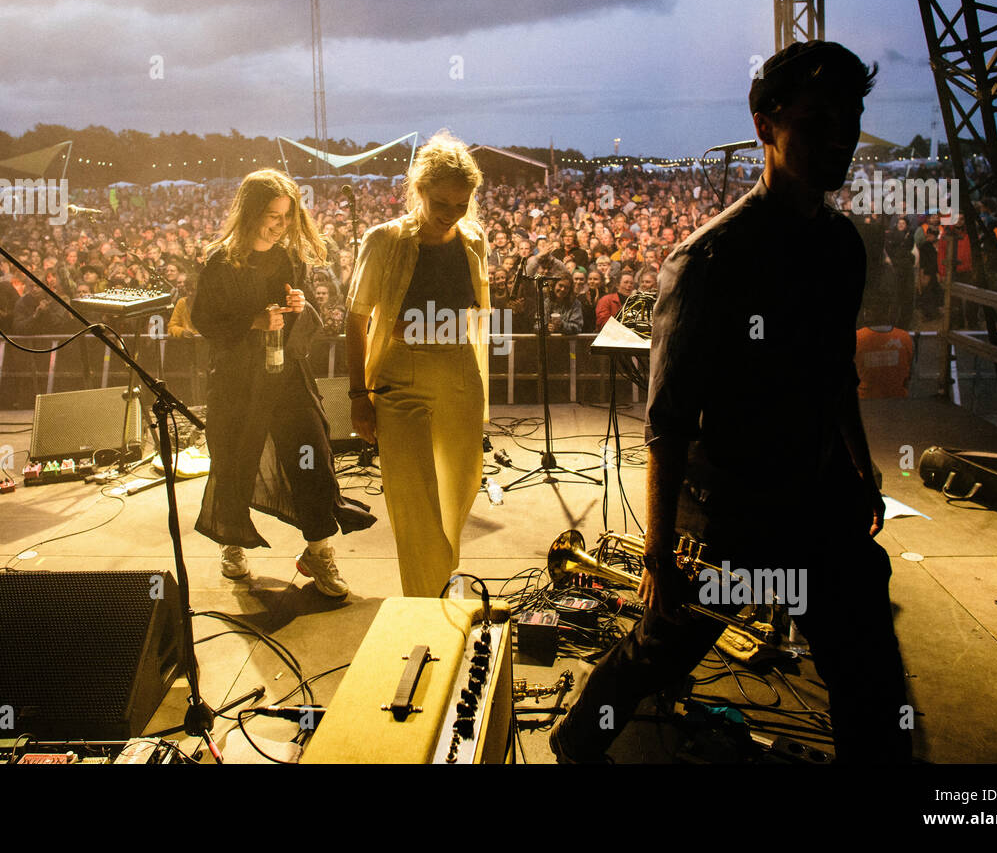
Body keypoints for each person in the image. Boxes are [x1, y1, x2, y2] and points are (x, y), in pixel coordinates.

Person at [551, 40, 912, 764]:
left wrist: (862, 467)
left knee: (871, 680)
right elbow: (668, 424)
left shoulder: (844, 245)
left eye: (850, 121)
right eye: (817, 124)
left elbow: (836, 370)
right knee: (661, 647)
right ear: (764, 127)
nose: (839, 140)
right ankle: (575, 746)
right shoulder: (710, 260)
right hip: (733, 508)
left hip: (822, 498)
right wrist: (659, 554)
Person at [192, 169, 375, 598]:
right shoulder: (221, 261)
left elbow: (301, 316)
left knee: (312, 458)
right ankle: (232, 543)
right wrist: (252, 322)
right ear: (251, 211)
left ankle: (319, 550)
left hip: (287, 377)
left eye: (287, 216)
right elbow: (204, 321)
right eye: (273, 215)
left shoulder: (287, 258)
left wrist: (299, 305)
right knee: (234, 463)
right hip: (238, 383)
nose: (280, 224)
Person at [345, 132, 490, 597]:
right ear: (418, 191)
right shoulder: (383, 241)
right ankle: (428, 605)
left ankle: (442, 590)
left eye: (461, 204)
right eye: (441, 202)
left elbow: (474, 315)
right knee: (414, 503)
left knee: (457, 493)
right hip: (400, 378)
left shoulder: (474, 240)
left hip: (459, 372)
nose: (451, 213)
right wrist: (357, 397)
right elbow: (356, 320)